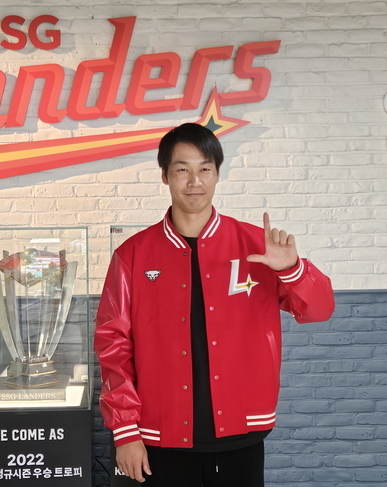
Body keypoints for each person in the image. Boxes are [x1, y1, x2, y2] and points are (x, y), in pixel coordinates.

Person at [94, 123, 335, 486]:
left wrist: (293, 270)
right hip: (159, 435)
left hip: (242, 431)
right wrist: (125, 430)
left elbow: (319, 310)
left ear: (217, 174)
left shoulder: (258, 246)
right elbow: (113, 345)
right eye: (182, 169)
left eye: (205, 168)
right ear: (165, 176)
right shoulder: (132, 255)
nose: (195, 180)